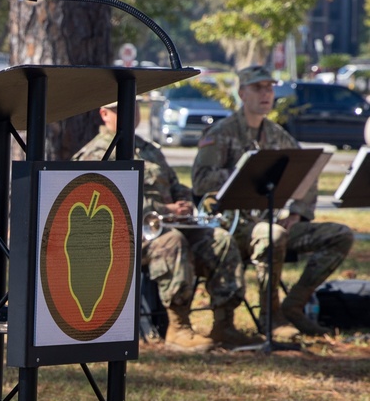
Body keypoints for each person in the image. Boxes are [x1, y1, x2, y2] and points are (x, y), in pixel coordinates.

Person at [72, 101, 260, 352]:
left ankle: (224, 324)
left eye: (135, 107)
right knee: (172, 243)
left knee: (221, 241)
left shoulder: (148, 149)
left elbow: (173, 183)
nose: (131, 113)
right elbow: (105, 203)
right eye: (122, 109)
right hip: (120, 236)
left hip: (167, 226)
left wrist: (184, 201)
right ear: (104, 114)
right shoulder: (97, 154)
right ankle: (177, 327)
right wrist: (162, 210)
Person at [192, 65, 354, 338]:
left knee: (340, 235)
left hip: (273, 225)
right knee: (272, 234)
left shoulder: (278, 135)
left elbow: (308, 173)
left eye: (269, 87)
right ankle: (272, 317)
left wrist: (297, 213)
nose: (266, 93)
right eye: (258, 88)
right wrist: (243, 174)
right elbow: (200, 181)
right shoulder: (221, 133)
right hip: (235, 228)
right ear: (242, 93)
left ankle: (294, 305)